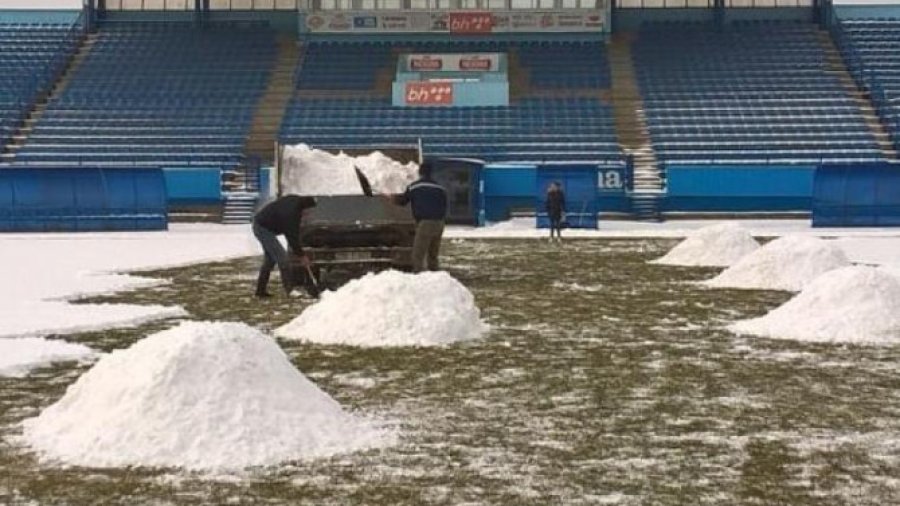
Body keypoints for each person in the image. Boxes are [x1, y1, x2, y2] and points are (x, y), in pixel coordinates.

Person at [252, 194, 317, 298]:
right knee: (283, 258)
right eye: (308, 212)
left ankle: (260, 291)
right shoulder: (291, 214)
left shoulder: (295, 200)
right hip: (262, 228)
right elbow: (292, 237)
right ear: (305, 207)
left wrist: (300, 253)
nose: (308, 215)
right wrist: (302, 256)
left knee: (269, 260)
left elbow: (293, 233)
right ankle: (290, 291)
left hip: (264, 225)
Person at [390, 160, 448, 273]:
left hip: (425, 223)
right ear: (431, 173)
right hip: (440, 223)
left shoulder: (415, 187)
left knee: (418, 254)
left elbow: (403, 201)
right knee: (433, 254)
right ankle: (435, 277)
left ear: (420, 173)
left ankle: (418, 278)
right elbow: (445, 205)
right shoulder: (440, 188)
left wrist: (393, 199)